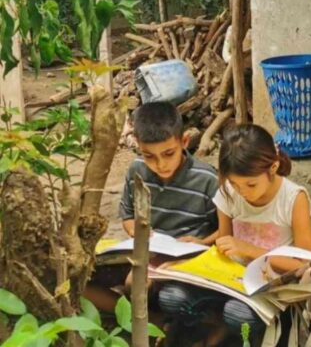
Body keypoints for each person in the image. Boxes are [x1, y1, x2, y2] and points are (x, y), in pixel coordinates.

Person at [158, 124, 311, 346]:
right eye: (234, 183)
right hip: (228, 280)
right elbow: (223, 245)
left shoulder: (293, 199)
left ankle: (245, 336)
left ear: (273, 167)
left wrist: (249, 250)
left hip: (269, 289)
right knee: (171, 296)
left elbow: (303, 265)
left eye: (250, 184)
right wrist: (189, 263)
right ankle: (215, 328)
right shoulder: (229, 193)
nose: (242, 191)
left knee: (237, 314)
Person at [85, 101, 219, 314]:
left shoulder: (207, 179)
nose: (160, 164)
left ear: (184, 141)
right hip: (143, 253)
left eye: (168, 154)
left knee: (145, 287)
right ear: (137, 145)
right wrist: (138, 232)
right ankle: (150, 323)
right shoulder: (136, 170)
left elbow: (225, 231)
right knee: (80, 277)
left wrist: (202, 242)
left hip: (184, 262)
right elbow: (128, 215)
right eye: (149, 156)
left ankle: (147, 319)